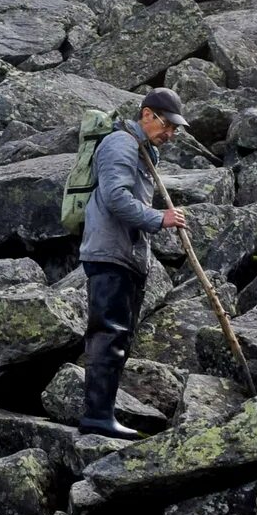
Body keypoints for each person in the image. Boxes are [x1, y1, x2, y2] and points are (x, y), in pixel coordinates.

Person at [76, 89, 187, 440]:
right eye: (167, 124)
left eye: (175, 129)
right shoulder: (121, 144)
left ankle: (102, 414)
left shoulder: (143, 149)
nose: (170, 134)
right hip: (110, 253)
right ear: (147, 115)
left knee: (118, 336)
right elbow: (115, 197)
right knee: (108, 334)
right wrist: (160, 218)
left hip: (125, 256)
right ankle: (96, 417)